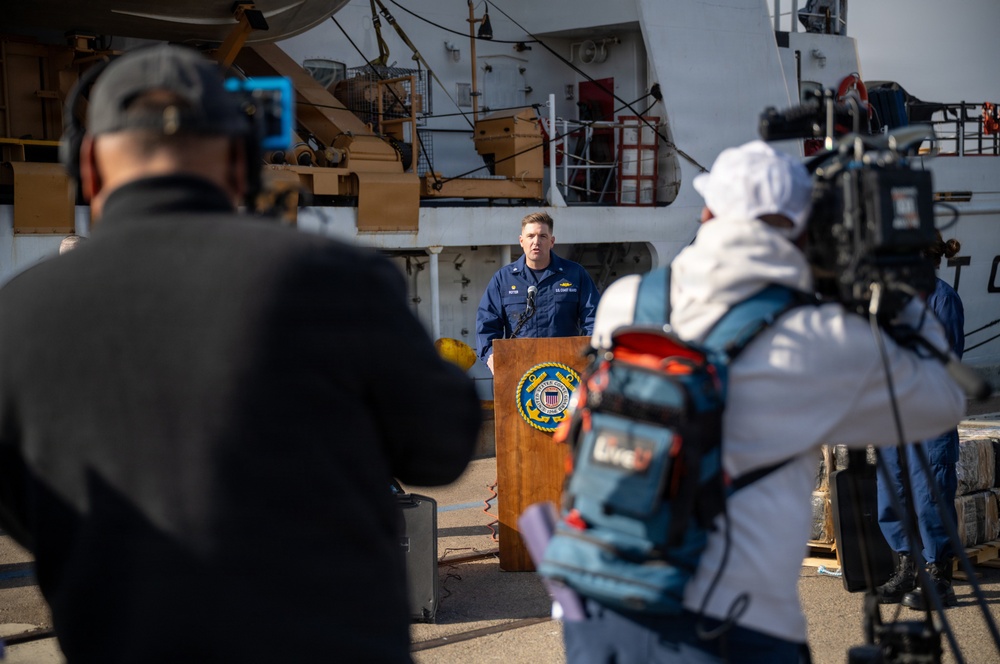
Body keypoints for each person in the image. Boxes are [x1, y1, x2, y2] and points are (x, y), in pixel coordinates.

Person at [0, 45, 481, 663]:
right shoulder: (335, 279)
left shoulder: (18, 315)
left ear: (86, 168)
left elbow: (22, 508)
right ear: (242, 165)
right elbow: (442, 448)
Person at [575, 140, 965, 663]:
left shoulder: (626, 299)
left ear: (708, 212)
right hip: (736, 624)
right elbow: (940, 402)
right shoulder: (817, 334)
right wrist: (902, 288)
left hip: (602, 601)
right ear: (802, 228)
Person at [875, 231, 965, 609]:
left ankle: (938, 575)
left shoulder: (943, 298)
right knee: (891, 487)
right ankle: (907, 566)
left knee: (931, 492)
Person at [475, 211, 600, 373]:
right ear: (521, 241)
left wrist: (591, 355)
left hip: (566, 368)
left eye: (542, 236)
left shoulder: (574, 274)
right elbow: (487, 323)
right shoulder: (503, 279)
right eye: (530, 236)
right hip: (517, 367)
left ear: (552, 241)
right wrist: (491, 356)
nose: (536, 242)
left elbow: (594, 318)